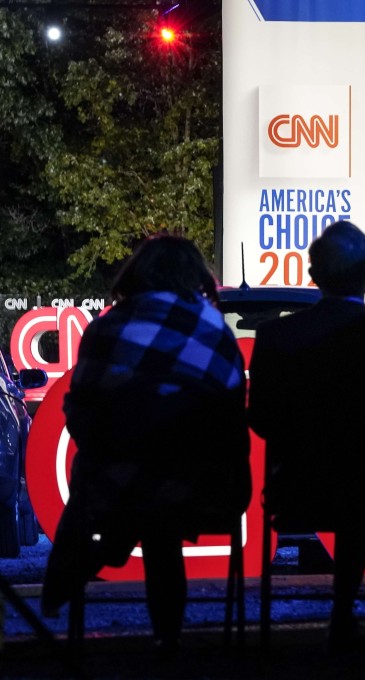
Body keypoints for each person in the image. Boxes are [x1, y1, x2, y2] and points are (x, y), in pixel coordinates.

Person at [40, 235, 252, 655]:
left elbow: (80, 412)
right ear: (195, 277)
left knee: (129, 487)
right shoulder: (214, 334)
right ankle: (168, 636)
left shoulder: (106, 329)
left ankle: (94, 550)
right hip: (206, 489)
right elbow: (231, 417)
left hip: (115, 485)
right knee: (163, 515)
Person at [247, 220, 365, 654]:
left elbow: (261, 420)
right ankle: (344, 610)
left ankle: (339, 616)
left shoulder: (276, 337)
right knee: (360, 493)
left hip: (297, 489)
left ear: (314, 274)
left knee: (348, 487)